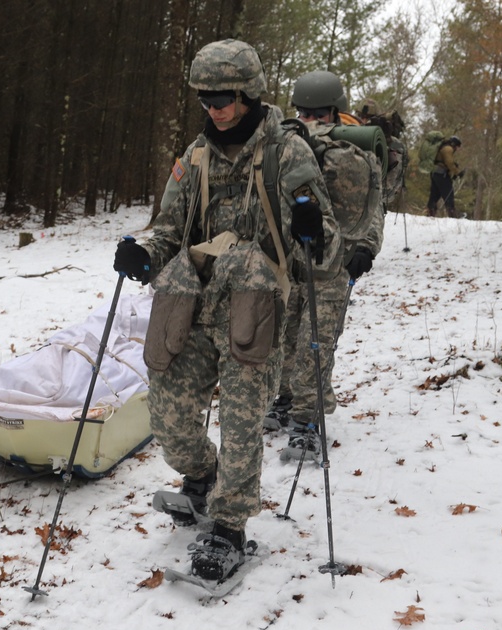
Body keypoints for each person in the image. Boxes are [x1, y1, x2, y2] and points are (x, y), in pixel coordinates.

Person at [113, 40, 341, 583]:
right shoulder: (194, 156)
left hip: (254, 308)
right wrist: (144, 254)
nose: (214, 109)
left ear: (249, 94)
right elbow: (169, 229)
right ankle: (202, 476)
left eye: (224, 98)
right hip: (191, 302)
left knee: (241, 426)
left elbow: (326, 253)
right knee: (168, 421)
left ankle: (228, 526)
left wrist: (313, 231)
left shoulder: (289, 153)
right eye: (205, 99)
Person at [265, 72, 384, 461]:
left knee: (315, 343)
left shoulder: (352, 153)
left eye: (318, 113)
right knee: (286, 336)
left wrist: (366, 247)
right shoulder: (289, 147)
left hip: (333, 263)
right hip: (292, 261)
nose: (312, 120)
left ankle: (307, 421)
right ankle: (285, 399)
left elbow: (372, 206)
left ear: (334, 112)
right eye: (305, 112)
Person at [356, 98, 407, 210]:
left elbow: (388, 192)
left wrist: (384, 146)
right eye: (361, 117)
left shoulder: (394, 144)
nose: (364, 121)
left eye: (369, 118)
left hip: (373, 209)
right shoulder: (348, 136)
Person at [426, 135, 462, 217]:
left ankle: (430, 212)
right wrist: (457, 172)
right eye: (457, 147)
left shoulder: (442, 147)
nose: (457, 149)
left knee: (435, 194)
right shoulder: (448, 149)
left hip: (434, 173)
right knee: (449, 193)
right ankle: (452, 213)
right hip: (441, 174)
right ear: (454, 144)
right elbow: (449, 163)